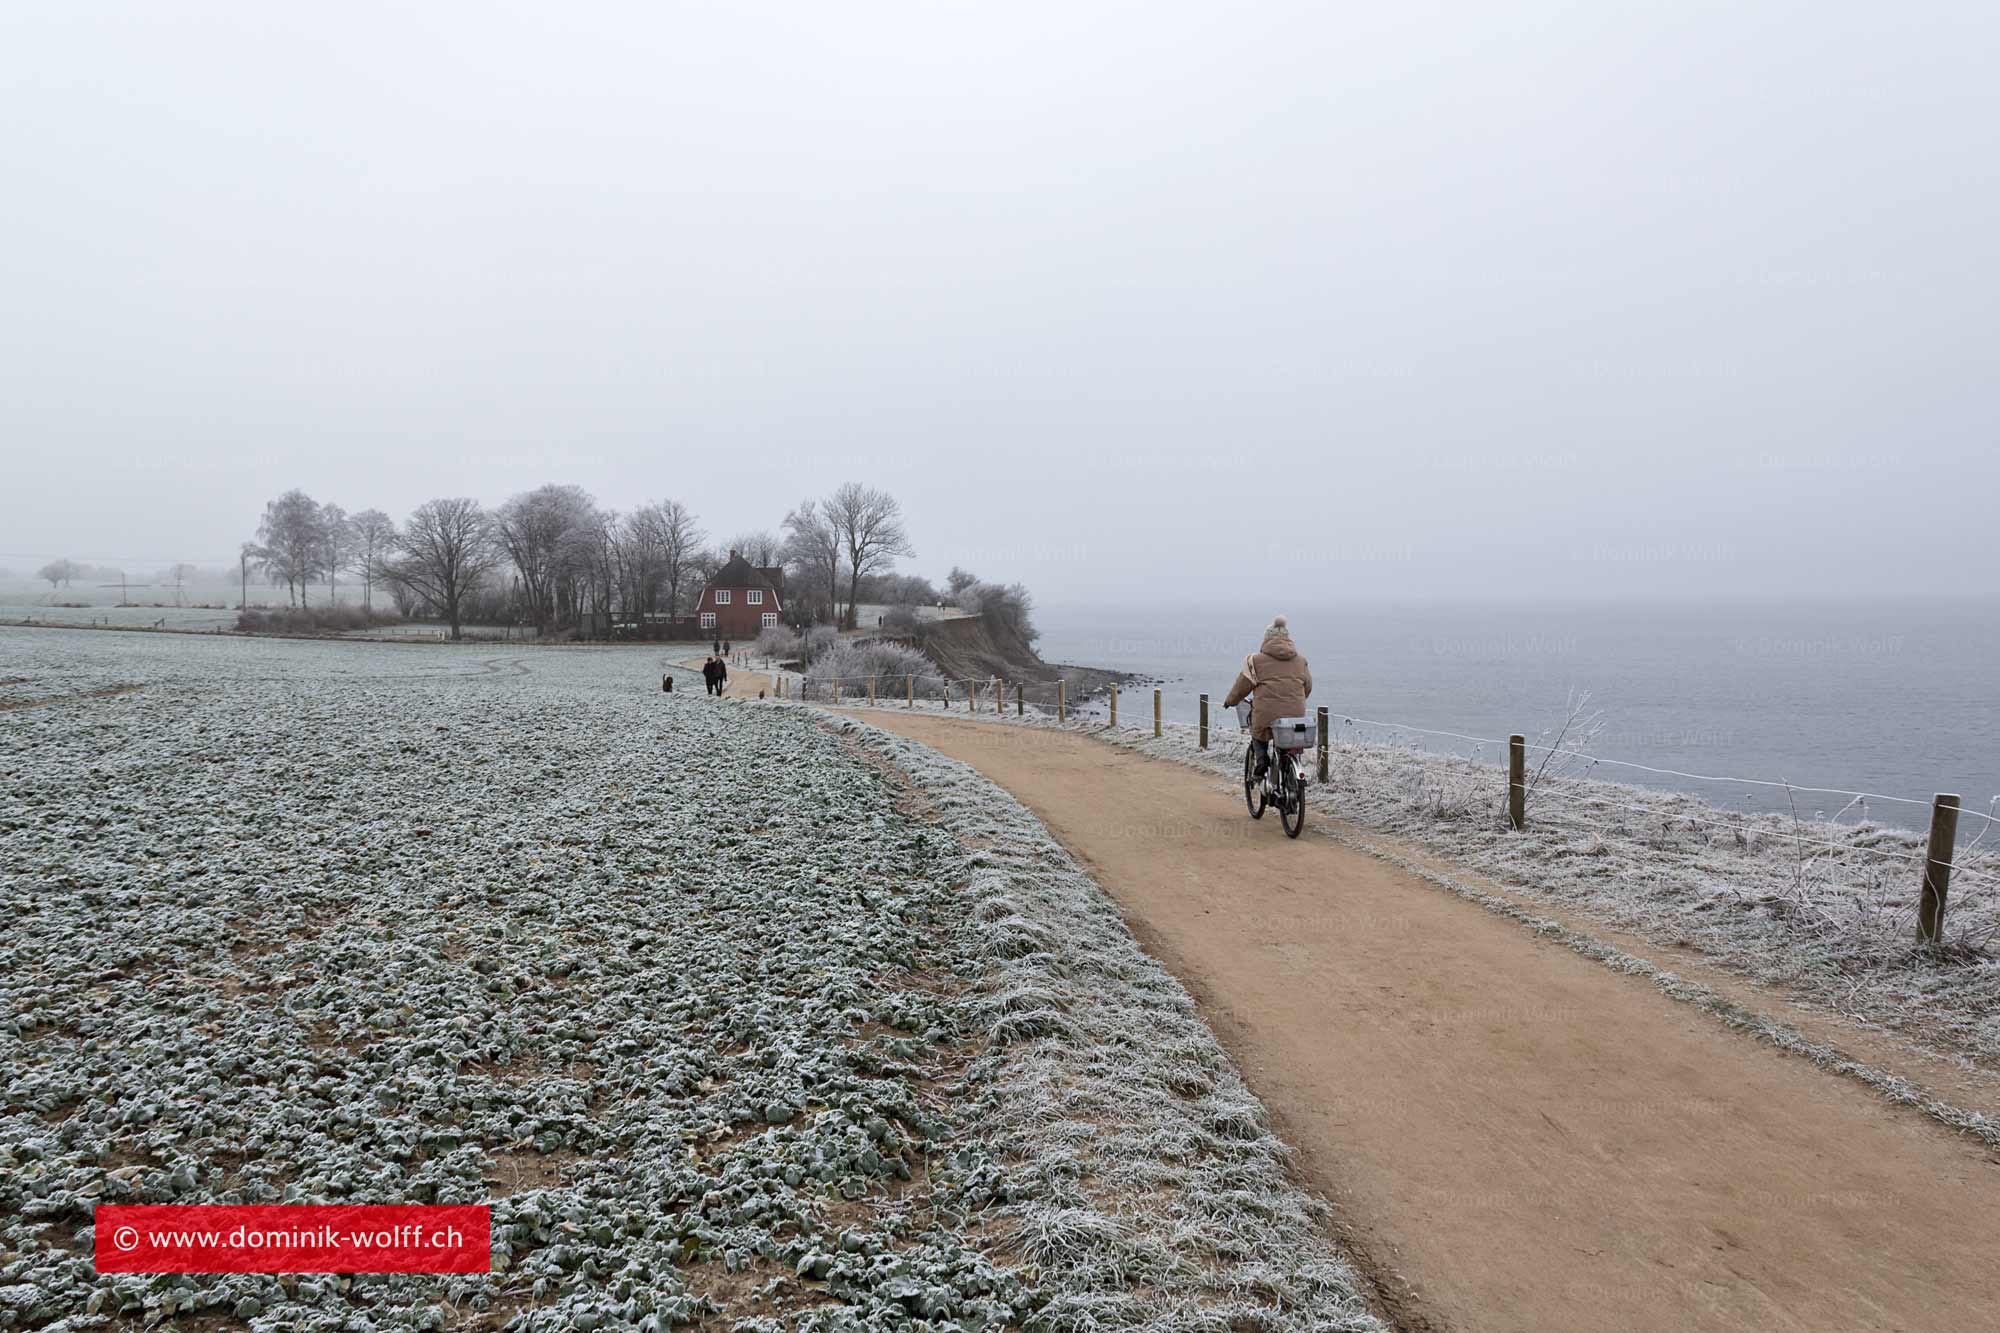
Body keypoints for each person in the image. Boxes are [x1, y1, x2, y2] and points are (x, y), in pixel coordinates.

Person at [1223, 615, 1312, 779]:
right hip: (1295, 714)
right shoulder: (1301, 661)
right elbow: (1307, 687)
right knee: (1286, 742)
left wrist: (1230, 701)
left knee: (1258, 733)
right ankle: (1288, 777)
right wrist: (1294, 700)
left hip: (1266, 714)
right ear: (1288, 639)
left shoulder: (1255, 661)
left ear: (1266, 639)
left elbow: (1242, 687)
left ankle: (1262, 760)